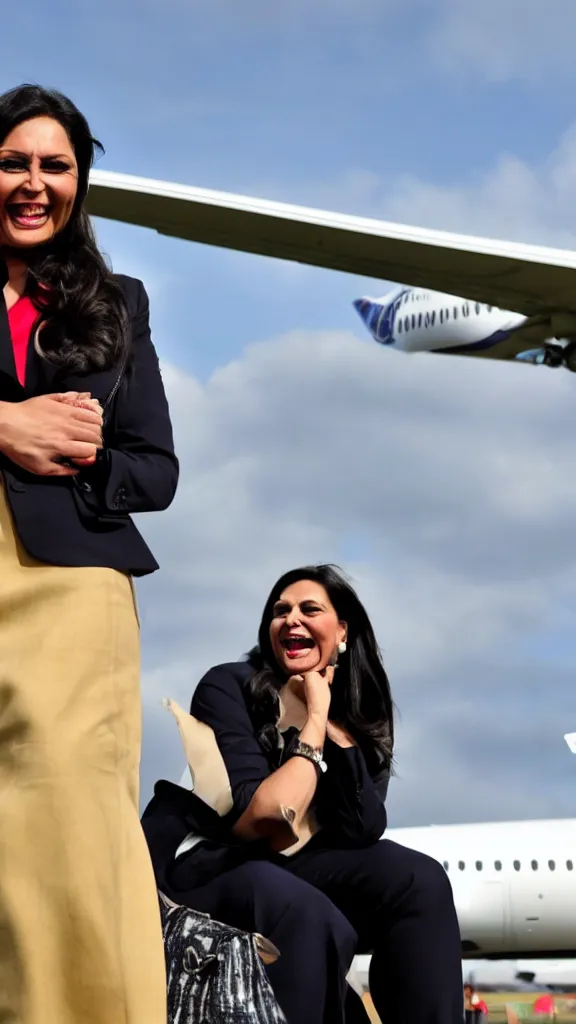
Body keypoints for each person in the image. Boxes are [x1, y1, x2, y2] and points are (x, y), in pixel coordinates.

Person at [0, 84, 178, 1024]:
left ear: (80, 180)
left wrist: (83, 448)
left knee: (66, 826)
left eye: (54, 165)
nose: (34, 184)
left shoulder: (119, 304)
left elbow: (157, 471)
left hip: (75, 593)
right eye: (14, 162)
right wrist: (6, 424)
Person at [143, 564, 464, 1024]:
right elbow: (266, 818)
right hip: (208, 863)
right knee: (302, 909)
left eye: (309, 609)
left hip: (297, 863)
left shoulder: (362, 708)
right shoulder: (228, 685)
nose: (291, 619)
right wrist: (312, 721)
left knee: (420, 879)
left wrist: (337, 728)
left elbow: (363, 828)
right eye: (279, 611)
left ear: (343, 631)